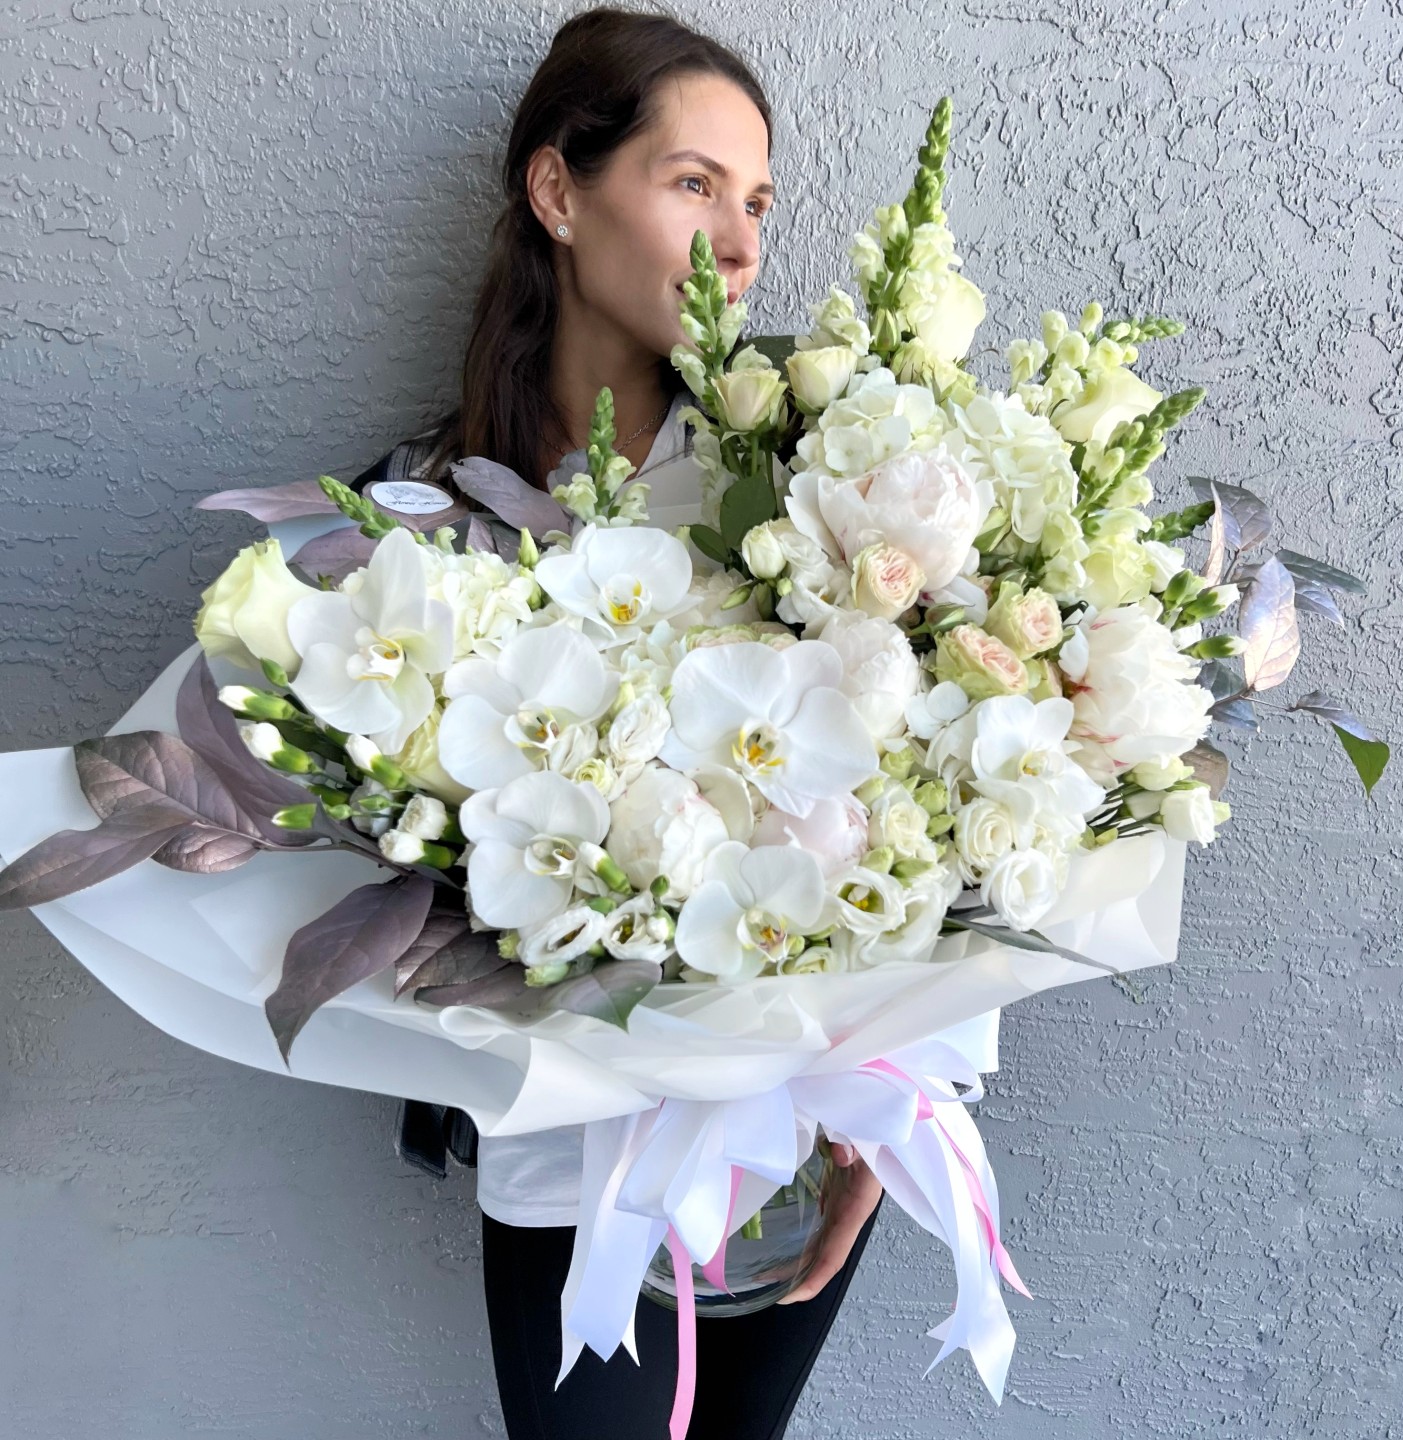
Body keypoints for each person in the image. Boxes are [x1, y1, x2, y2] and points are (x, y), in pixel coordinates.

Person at [348, 9, 885, 1438]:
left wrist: (896, 1097)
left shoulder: (819, 487)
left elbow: (918, 797)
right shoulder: (416, 522)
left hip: (793, 1134)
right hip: (565, 1158)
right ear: (559, 191)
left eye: (758, 199)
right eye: (693, 182)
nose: (741, 239)